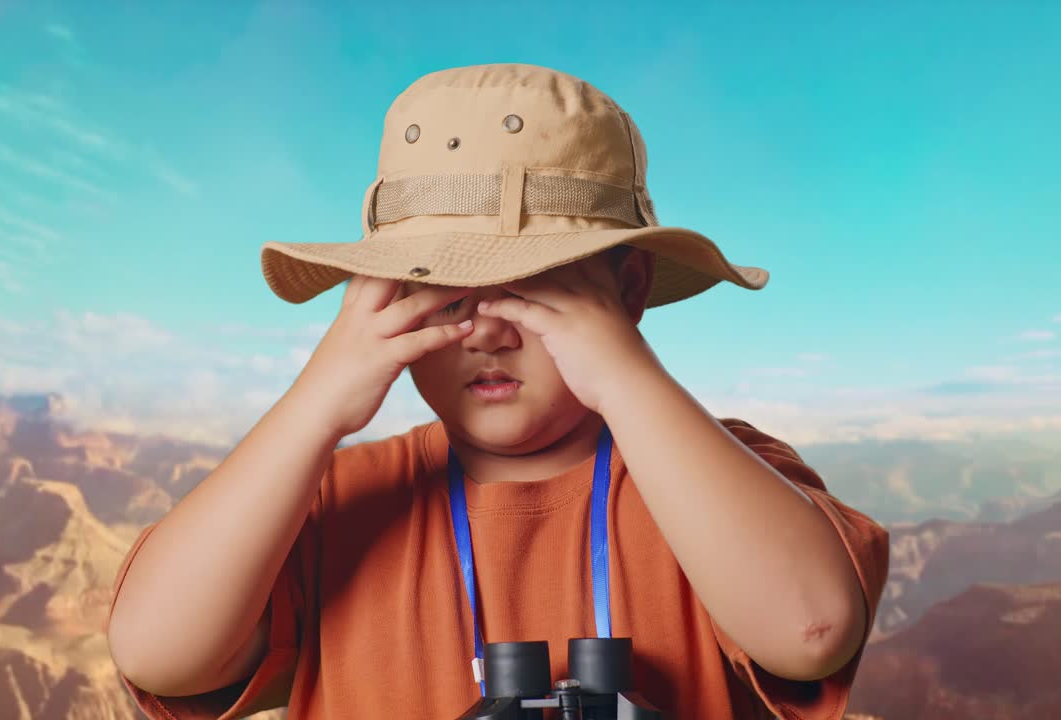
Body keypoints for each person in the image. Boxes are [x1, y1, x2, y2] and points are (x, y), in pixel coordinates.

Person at [104, 63, 889, 720]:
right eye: (439, 294)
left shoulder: (721, 471)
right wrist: (315, 405)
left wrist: (627, 375)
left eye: (532, 291)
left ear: (629, 291)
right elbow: (157, 654)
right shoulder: (331, 501)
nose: (485, 332)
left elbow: (811, 630)